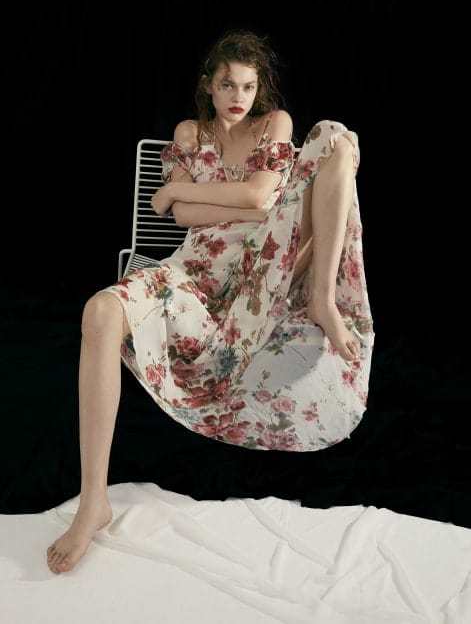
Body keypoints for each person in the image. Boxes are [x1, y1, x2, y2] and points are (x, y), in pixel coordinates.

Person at [46, 29, 374, 574]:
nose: (238, 96)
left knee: (337, 138)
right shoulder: (188, 133)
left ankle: (322, 299)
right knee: (100, 311)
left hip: (264, 270)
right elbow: (184, 218)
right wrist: (232, 205)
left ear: (259, 89)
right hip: (194, 274)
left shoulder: (275, 125)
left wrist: (185, 190)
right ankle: (93, 502)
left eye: (248, 86)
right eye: (227, 85)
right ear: (209, 86)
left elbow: (255, 196)